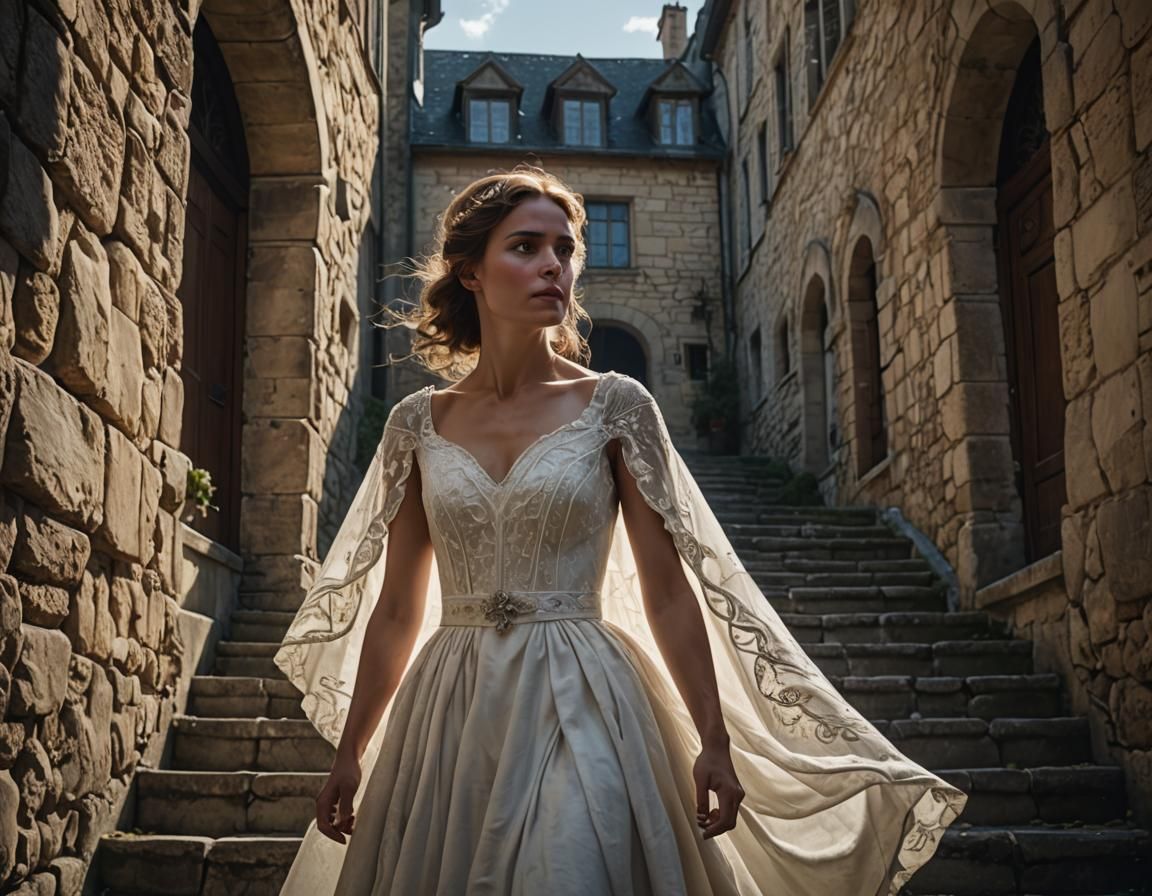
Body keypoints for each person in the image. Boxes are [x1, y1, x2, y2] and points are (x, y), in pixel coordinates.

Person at [273, 166, 966, 895]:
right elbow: (396, 609)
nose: (554, 265)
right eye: (526, 247)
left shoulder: (617, 406)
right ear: (471, 272)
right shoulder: (416, 423)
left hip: (582, 690)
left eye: (565, 249)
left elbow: (667, 592)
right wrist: (351, 751)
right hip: (452, 701)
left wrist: (714, 738)